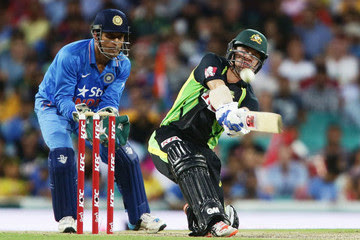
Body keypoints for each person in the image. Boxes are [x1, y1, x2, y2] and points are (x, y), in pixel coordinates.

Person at [34, 9, 166, 233]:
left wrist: (108, 113)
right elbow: (61, 97)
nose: (117, 43)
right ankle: (67, 218)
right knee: (63, 154)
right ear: (96, 35)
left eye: (120, 37)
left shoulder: (122, 64)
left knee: (126, 154)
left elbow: (110, 100)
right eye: (111, 36)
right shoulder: (71, 55)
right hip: (54, 108)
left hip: (91, 111)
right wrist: (77, 113)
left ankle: (140, 217)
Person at [148, 29, 268, 237]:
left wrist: (239, 123)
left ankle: (199, 214)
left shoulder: (248, 96)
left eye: (253, 57)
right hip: (168, 136)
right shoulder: (212, 62)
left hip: (203, 150)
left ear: (259, 64)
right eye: (243, 52)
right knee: (188, 158)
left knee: (208, 210)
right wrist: (226, 109)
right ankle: (214, 218)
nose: (246, 60)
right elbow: (217, 87)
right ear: (232, 50)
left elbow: (247, 116)